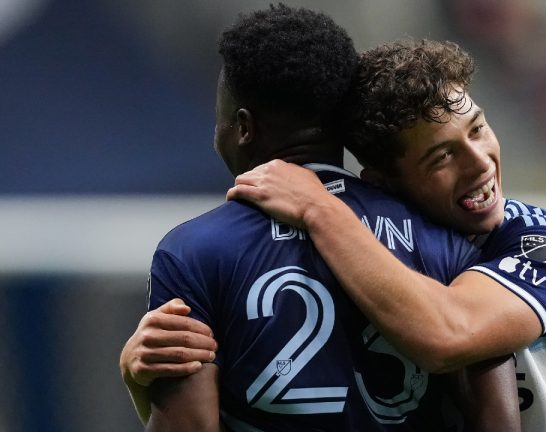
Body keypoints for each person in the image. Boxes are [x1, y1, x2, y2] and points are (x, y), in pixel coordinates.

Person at [122, 5, 520, 431]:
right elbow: (498, 421)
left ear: (243, 127)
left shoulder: (193, 252)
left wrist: (139, 386)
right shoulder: (439, 231)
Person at [226, 39, 546, 431]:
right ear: (383, 183)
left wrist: (318, 208)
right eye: (443, 156)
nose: (480, 163)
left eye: (477, 129)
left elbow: (448, 334)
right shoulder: (374, 251)